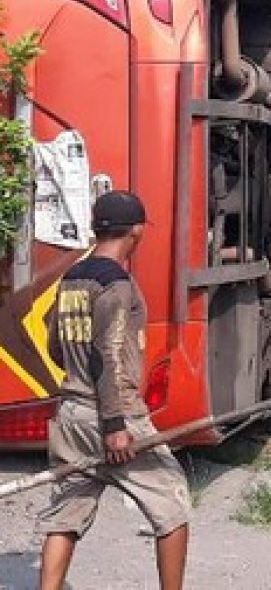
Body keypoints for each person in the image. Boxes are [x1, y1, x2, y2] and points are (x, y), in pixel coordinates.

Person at [37, 191, 190, 590]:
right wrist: (115, 424)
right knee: (172, 505)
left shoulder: (72, 279)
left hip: (70, 413)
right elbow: (109, 356)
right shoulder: (117, 287)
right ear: (136, 231)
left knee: (66, 514)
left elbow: (54, 342)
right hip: (111, 414)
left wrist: (75, 376)